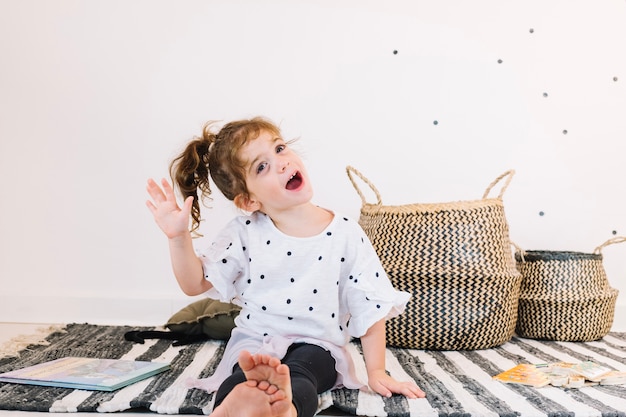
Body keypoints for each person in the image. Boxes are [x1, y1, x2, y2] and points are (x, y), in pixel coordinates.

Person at [146, 117, 425, 417]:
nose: (280, 163)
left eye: (279, 149)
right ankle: (235, 404)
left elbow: (369, 306)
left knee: (302, 376)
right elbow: (195, 283)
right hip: (256, 341)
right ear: (249, 200)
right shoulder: (245, 233)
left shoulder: (345, 233)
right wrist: (178, 237)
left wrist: (377, 371)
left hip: (318, 346)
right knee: (242, 378)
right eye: (261, 166)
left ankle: (285, 408)